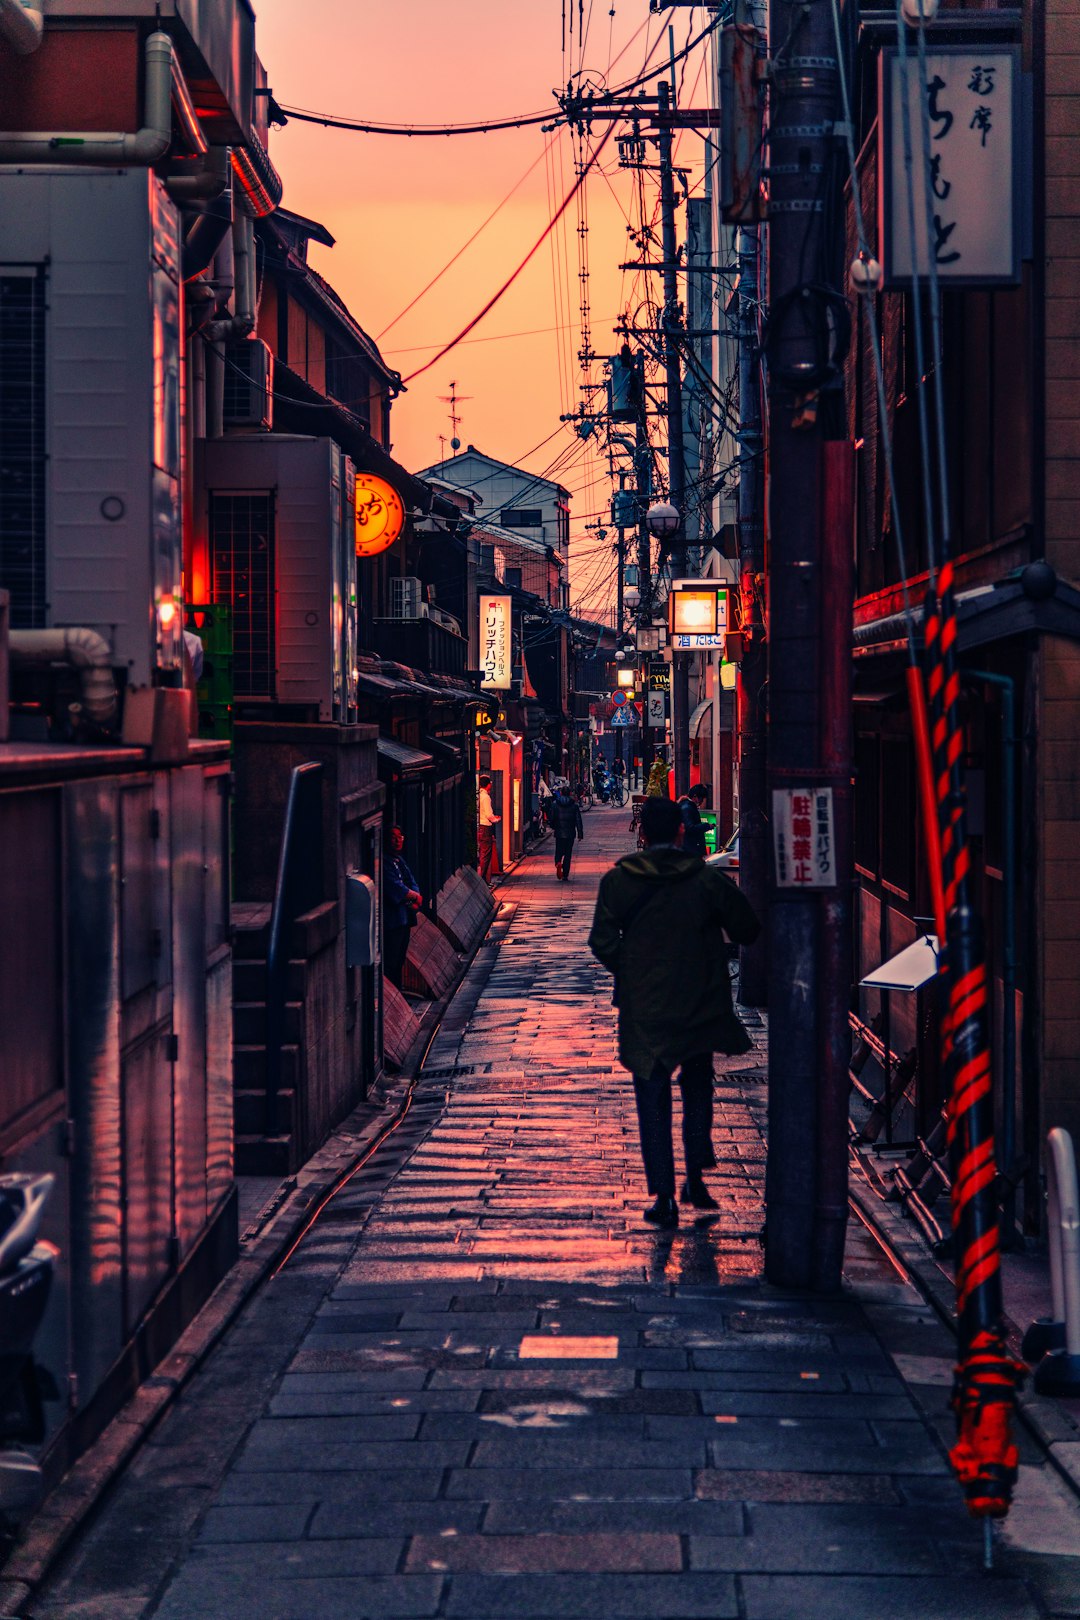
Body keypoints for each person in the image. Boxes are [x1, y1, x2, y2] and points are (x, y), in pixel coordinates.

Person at [588, 795, 760, 1227]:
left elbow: (602, 941)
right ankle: (696, 1177)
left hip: (645, 1008)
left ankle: (663, 1195)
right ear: (681, 831)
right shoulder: (704, 880)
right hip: (699, 1002)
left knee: (652, 1094)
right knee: (698, 1087)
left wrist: (633, 970)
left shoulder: (620, 882)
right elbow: (746, 927)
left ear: (643, 832)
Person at [383, 825, 422, 990]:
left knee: (399, 959)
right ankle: (394, 992)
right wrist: (413, 896)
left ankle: (398, 993)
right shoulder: (385, 861)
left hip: (404, 918)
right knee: (391, 961)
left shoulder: (399, 860)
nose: (398, 840)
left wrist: (414, 895)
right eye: (393, 837)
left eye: (400, 837)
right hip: (392, 919)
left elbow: (410, 879)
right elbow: (395, 887)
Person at [548, 778, 584, 881]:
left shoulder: (555, 804)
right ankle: (565, 874)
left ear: (561, 793)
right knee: (568, 853)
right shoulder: (574, 805)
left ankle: (558, 862)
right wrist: (580, 833)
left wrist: (553, 826)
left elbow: (551, 818)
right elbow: (578, 820)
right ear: (569, 794)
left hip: (559, 832)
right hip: (570, 833)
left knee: (559, 850)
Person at [477, 773, 501, 883]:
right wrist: (496, 819)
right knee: (485, 854)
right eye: (490, 783)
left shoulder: (478, 795)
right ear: (487, 785)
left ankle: (481, 878)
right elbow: (488, 814)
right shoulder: (486, 797)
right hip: (486, 827)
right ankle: (481, 879)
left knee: (482, 852)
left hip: (479, 826)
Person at [678, 782, 709, 858]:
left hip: (690, 848)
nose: (702, 801)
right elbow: (690, 828)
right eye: (701, 798)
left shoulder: (686, 806)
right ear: (695, 796)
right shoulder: (688, 808)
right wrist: (706, 826)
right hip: (691, 849)